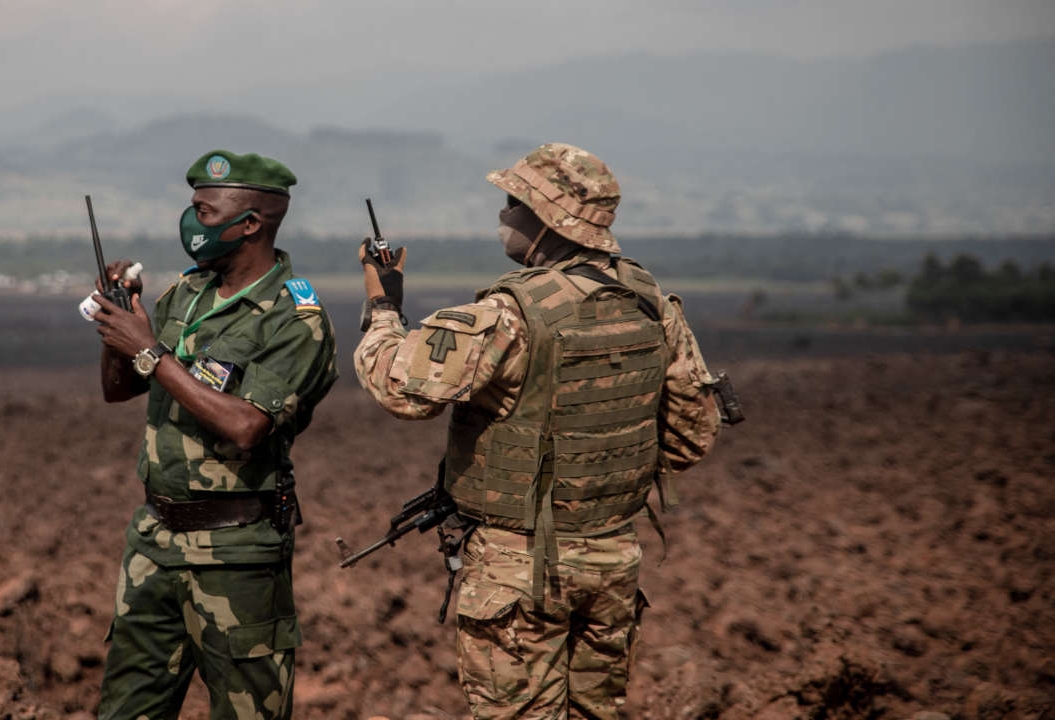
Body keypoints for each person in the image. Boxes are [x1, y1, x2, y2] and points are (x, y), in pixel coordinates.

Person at [351, 143, 721, 719]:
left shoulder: (510, 314)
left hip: (516, 569)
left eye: (513, 203)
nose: (503, 215)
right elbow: (691, 437)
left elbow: (399, 387)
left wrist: (382, 306)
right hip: (613, 561)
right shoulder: (652, 305)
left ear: (548, 220)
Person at [87, 149, 338, 719]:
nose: (191, 221)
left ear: (249, 223)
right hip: (153, 542)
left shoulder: (294, 317)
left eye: (204, 210)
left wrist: (150, 350)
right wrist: (118, 324)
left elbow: (247, 425)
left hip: (236, 554)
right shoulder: (187, 293)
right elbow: (119, 388)